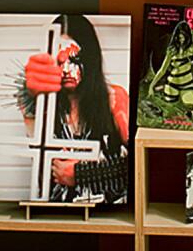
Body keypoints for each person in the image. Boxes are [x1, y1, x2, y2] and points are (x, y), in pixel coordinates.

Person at [21, 14, 130, 203]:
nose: (66, 70)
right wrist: (31, 85)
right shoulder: (41, 105)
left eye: (75, 59)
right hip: (56, 214)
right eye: (60, 61)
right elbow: (25, 102)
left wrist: (82, 174)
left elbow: (138, 166)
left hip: (108, 214)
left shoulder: (114, 98)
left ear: (90, 58)